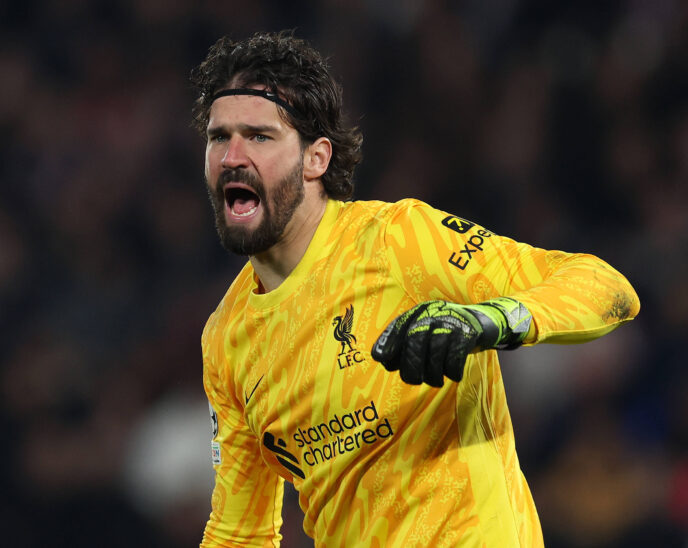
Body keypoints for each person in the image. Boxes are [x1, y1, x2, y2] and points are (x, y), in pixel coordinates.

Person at [191, 31, 639, 547]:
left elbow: (608, 289)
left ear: (316, 158)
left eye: (259, 136)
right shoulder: (226, 338)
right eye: (219, 137)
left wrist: (488, 320)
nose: (232, 156)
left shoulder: (399, 241)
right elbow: (240, 532)